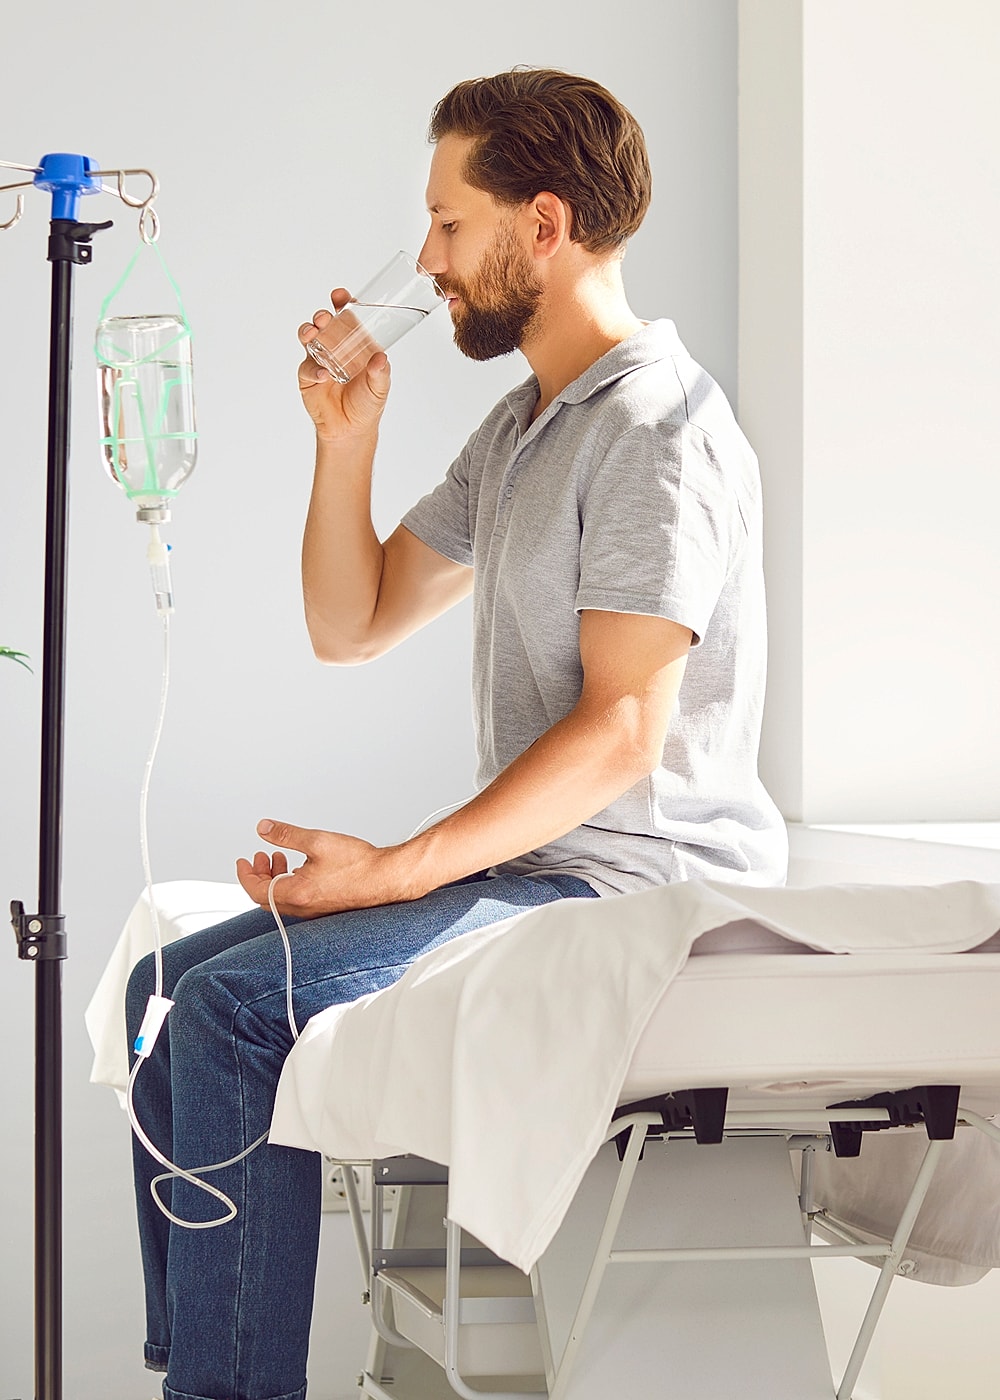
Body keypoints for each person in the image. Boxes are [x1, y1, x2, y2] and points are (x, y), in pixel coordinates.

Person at [125, 67, 786, 1400]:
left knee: (232, 1013)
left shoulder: (656, 433)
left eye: (446, 223)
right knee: (164, 995)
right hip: (544, 867)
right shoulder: (528, 426)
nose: (426, 262)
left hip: (635, 882)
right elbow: (352, 621)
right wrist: (345, 441)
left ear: (543, 224)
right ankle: (198, 1371)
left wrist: (394, 872)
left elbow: (622, 732)